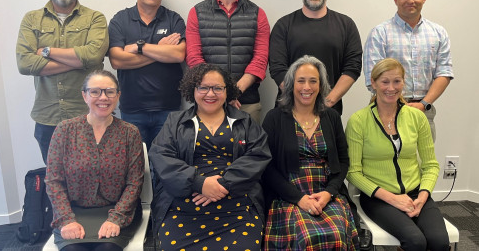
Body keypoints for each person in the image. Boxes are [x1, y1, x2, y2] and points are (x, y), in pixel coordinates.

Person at [149, 63, 271, 250]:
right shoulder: (175, 122)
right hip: (184, 203)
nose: (210, 94)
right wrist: (198, 183)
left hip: (236, 200)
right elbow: (161, 156)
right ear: (193, 89)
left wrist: (224, 183)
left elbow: (258, 155)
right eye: (203, 87)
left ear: (227, 90)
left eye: (217, 88)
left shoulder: (244, 121)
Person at [345, 58, 449, 251]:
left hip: (416, 193)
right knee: (416, 242)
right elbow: (353, 172)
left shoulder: (417, 117)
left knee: (439, 243)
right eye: (385, 82)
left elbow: (431, 165)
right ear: (374, 83)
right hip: (378, 198)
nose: (391, 88)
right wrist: (393, 198)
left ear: (403, 82)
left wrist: (423, 196)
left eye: (397, 81)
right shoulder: (358, 121)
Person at [16, 0, 109, 163]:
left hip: (88, 115)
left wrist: (46, 51)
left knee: (93, 183)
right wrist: (79, 62)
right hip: (48, 118)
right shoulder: (32, 20)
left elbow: (94, 56)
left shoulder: (94, 18)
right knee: (56, 186)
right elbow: (24, 62)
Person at [262, 55, 359, 250]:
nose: (307, 87)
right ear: (290, 84)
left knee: (337, 235)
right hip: (288, 195)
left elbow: (342, 161)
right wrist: (299, 199)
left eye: (313, 81)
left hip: (326, 193)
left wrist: (329, 193)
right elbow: (267, 167)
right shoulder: (274, 118)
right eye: (301, 81)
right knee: (307, 236)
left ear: (321, 86)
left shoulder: (331, 117)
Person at [45, 70, 144, 251]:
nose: (103, 97)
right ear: (84, 95)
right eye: (95, 91)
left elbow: (135, 183)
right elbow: (53, 181)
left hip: (118, 210)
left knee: (107, 248)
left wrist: (116, 218)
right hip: (74, 212)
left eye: (109, 91)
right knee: (73, 250)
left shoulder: (130, 132)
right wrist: (67, 220)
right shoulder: (64, 130)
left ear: (118, 95)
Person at [363, 0, 453, 141]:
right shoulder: (380, 33)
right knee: (385, 163)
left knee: (424, 163)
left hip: (424, 111)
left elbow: (444, 73)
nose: (411, 0)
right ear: (396, 0)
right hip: (387, 110)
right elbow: (373, 78)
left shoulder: (438, 33)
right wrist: (397, 106)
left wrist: (424, 104)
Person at [186, 0, 270, 122]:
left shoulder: (258, 14)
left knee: (249, 150)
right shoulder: (197, 13)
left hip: (247, 104)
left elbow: (260, 60)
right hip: (207, 103)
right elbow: (194, 59)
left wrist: (233, 91)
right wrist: (218, 92)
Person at [108, 0, 186, 150]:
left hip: (169, 109)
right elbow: (117, 60)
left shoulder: (174, 19)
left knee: (166, 165)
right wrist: (160, 50)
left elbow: (179, 54)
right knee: (136, 167)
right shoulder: (120, 20)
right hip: (132, 110)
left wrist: (139, 47)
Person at [269, 0, 362, 115]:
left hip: (329, 111)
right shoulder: (283, 25)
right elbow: (277, 68)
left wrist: (329, 101)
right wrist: (301, 101)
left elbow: (353, 67)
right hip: (288, 111)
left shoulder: (346, 25)